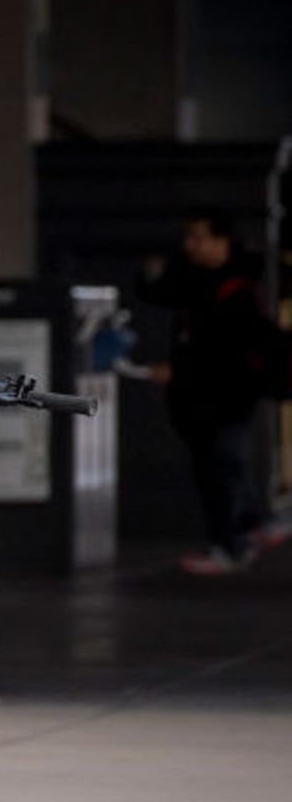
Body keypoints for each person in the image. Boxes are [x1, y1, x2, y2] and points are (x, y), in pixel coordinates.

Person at [136, 209, 281, 574]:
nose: (190, 246)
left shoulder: (237, 289)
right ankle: (246, 530)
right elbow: (159, 295)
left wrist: (180, 370)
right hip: (205, 397)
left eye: (199, 238)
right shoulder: (195, 278)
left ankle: (231, 543)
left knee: (221, 466)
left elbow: (223, 348)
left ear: (222, 240)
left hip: (225, 395)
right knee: (224, 464)